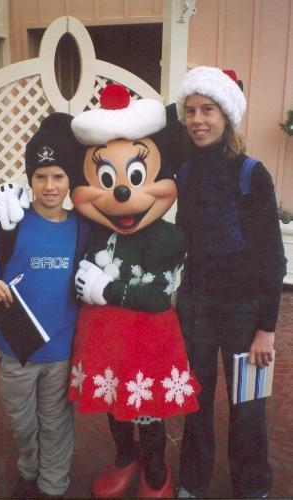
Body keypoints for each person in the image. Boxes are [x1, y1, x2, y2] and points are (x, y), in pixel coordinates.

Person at [67, 83, 201, 498]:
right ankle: (125, 455)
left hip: (148, 343)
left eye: (136, 176)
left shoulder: (166, 238)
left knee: (147, 410)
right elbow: (51, 221)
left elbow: (159, 296)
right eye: (108, 178)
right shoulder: (89, 230)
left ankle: (155, 462)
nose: (122, 192)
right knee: (114, 403)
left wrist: (107, 288)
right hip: (105, 341)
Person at [174, 66, 287, 499]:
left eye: (208, 110)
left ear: (226, 116)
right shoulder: (185, 174)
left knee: (248, 406)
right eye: (191, 111)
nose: (198, 120)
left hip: (245, 313)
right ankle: (192, 481)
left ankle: (252, 484)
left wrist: (266, 329)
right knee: (195, 402)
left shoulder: (251, 174)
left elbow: (273, 259)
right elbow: (182, 240)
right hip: (196, 309)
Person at [0, 112, 89, 499]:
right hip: (16, 349)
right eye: (40, 177)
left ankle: (53, 484)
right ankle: (28, 469)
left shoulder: (82, 228)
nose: (50, 186)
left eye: (58, 176)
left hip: (59, 351)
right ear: (30, 179)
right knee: (23, 422)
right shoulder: (12, 225)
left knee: (55, 421)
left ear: (70, 179)